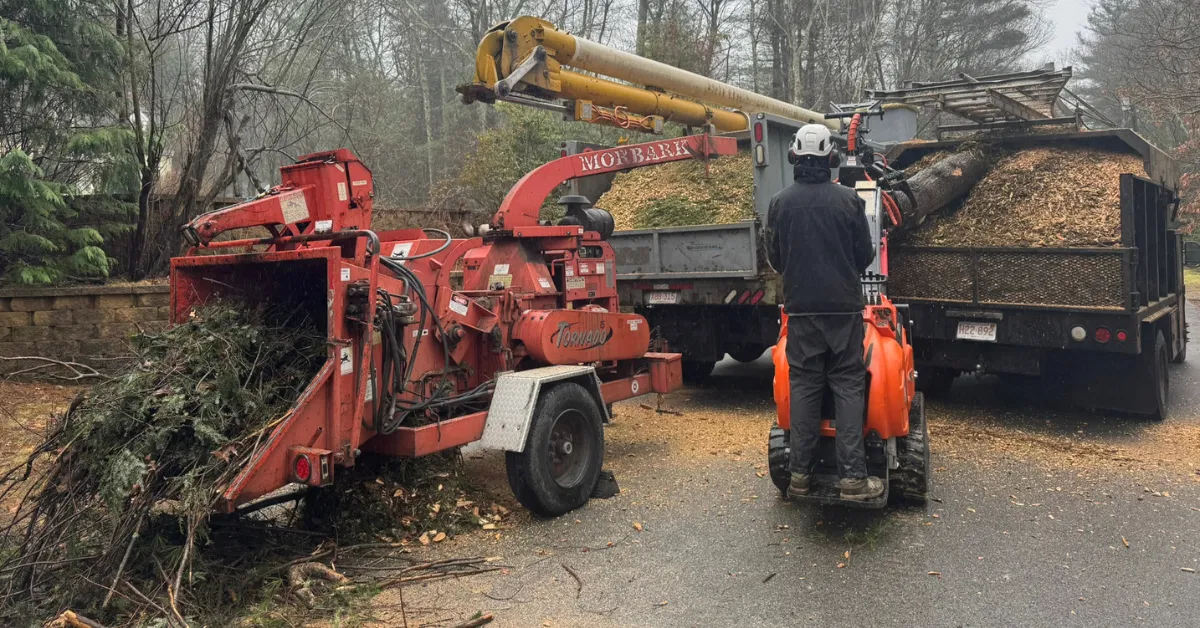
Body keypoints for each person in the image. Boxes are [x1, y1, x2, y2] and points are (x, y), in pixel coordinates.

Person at [766, 123, 884, 502]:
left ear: (796, 156)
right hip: (844, 311)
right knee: (848, 384)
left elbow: (776, 259)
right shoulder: (850, 201)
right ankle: (853, 479)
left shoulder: (780, 203)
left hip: (801, 312)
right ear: (831, 159)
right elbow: (865, 256)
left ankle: (799, 476)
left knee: (804, 385)